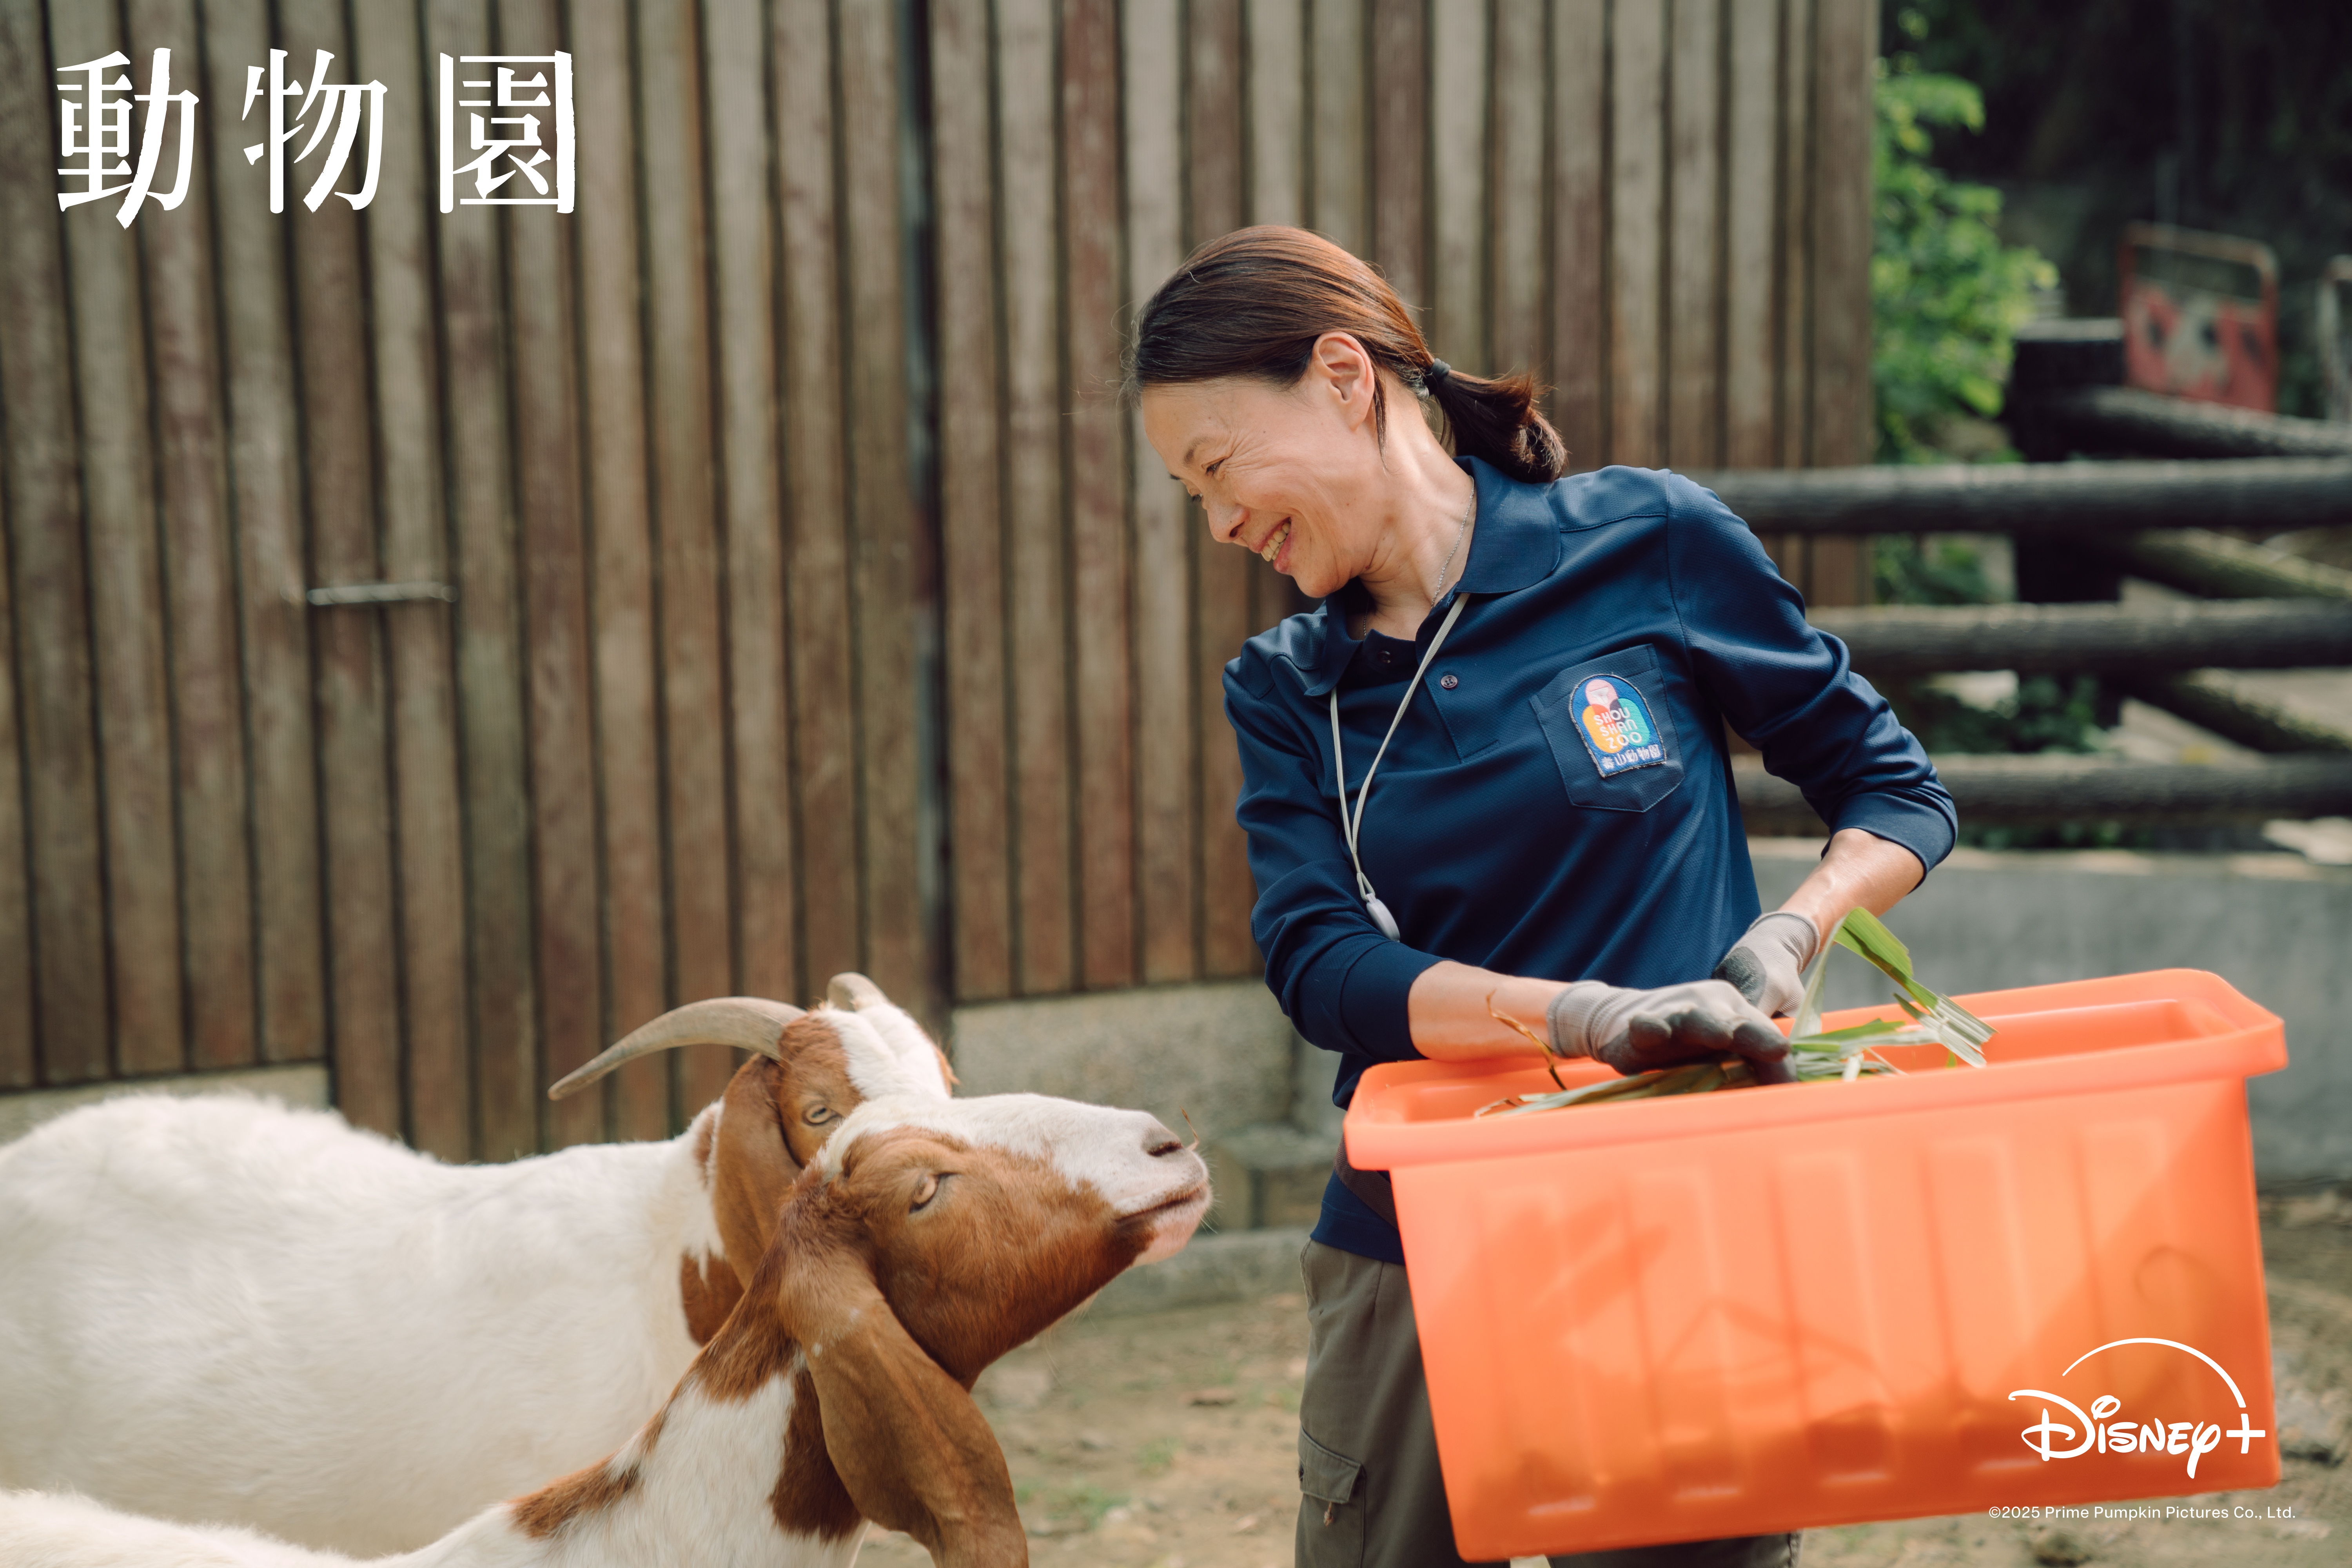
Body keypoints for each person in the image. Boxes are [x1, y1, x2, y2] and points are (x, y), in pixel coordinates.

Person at [1126, 227, 1955, 1568]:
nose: (1220, 524)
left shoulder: (1651, 542)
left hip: (1685, 1224)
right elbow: (1321, 966)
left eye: (1218, 469)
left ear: (1345, 378)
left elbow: (1896, 793)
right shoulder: (1289, 688)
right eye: (1191, 497)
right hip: (1413, 1242)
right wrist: (1581, 1018)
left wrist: (1789, 935)